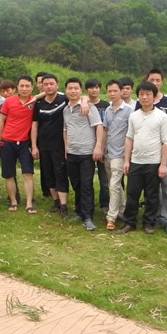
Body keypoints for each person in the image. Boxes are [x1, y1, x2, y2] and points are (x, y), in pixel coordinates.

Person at [116, 81, 167, 235]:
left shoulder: (162, 116)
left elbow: (166, 142)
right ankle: (129, 222)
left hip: (153, 162)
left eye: (148, 94)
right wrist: (127, 160)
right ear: (138, 96)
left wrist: (163, 164)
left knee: (151, 195)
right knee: (132, 193)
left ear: (154, 96)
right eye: (141, 94)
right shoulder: (134, 116)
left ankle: (149, 223)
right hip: (136, 161)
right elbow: (129, 138)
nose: (145, 97)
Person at [136, 68, 167, 235]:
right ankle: (153, 216)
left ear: (162, 82)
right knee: (151, 187)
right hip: (148, 152)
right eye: (151, 80)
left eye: (158, 80)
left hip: (165, 148)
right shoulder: (141, 100)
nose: (155, 83)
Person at [63, 77, 104, 231]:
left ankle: (88, 217)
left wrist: (98, 147)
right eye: (70, 88)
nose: (73, 91)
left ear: (81, 91)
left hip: (87, 153)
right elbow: (65, 130)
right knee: (76, 184)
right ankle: (79, 212)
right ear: (66, 91)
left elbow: (98, 126)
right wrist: (66, 148)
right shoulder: (66, 110)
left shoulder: (89, 107)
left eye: (76, 88)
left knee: (86, 185)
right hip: (71, 152)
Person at [0, 75, 37, 214]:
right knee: (9, 174)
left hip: (25, 142)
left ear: (32, 87)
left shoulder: (35, 101)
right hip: (7, 141)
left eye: (27, 86)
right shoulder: (9, 101)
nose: (24, 88)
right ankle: (13, 201)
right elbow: (1, 121)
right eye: (22, 86)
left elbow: (49, 94)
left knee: (28, 173)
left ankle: (29, 203)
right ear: (17, 87)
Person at [31, 74, 71, 217]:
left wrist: (84, 102)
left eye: (51, 84)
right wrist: (34, 146)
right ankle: (56, 202)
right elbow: (34, 125)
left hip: (60, 145)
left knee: (60, 174)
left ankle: (64, 205)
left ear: (57, 84)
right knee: (48, 174)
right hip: (44, 145)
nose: (48, 86)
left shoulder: (64, 99)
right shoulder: (38, 103)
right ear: (41, 86)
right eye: (46, 84)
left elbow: (81, 97)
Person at [102, 79, 133, 230]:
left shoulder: (129, 110)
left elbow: (132, 133)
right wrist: (101, 149)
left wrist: (128, 155)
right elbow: (105, 130)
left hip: (120, 153)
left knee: (114, 185)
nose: (112, 93)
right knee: (114, 184)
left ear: (121, 91)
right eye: (110, 91)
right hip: (108, 152)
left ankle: (111, 217)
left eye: (115, 91)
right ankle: (122, 209)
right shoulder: (107, 110)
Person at [84, 77, 110, 213]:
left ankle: (105, 204)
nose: (94, 90)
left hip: (103, 145)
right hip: (87, 145)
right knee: (86, 178)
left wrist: (102, 146)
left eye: (96, 87)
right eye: (91, 87)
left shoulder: (106, 106)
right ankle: (87, 204)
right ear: (86, 90)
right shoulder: (83, 104)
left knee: (104, 178)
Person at [34, 71, 51, 199]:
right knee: (44, 163)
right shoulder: (34, 100)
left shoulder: (57, 97)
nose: (42, 85)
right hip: (39, 135)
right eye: (40, 82)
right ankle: (46, 190)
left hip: (54, 137)